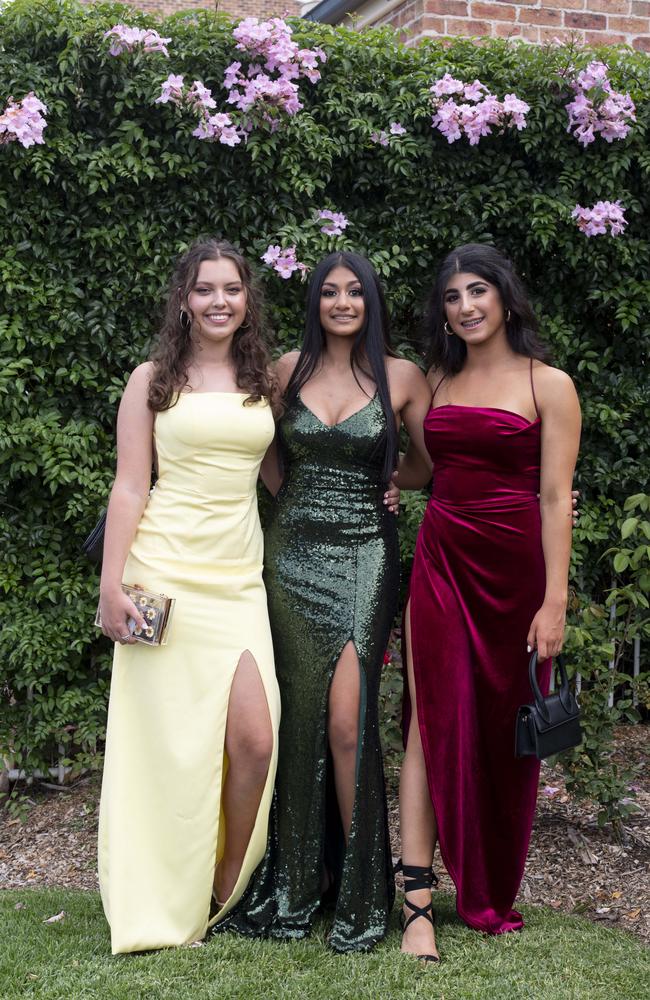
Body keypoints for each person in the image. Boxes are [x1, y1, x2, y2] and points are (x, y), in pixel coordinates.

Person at [218, 251, 430, 952]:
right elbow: (266, 457)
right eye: (329, 292)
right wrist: (300, 508)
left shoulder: (402, 376)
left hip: (369, 551)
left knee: (348, 722)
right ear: (315, 303)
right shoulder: (284, 370)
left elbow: (426, 463)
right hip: (294, 556)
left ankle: (365, 899)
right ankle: (297, 886)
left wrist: (393, 484)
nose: (342, 302)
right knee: (298, 718)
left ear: (372, 301)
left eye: (355, 292)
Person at [394, 244, 581, 961]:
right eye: (452, 297)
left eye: (478, 291)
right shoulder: (436, 379)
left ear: (504, 298)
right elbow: (432, 467)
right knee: (427, 717)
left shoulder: (548, 384)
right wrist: (396, 484)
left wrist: (553, 601)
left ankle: (488, 881)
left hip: (514, 575)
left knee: (502, 732)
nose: (466, 306)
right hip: (441, 561)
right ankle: (416, 903)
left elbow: (556, 496)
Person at [97, 238, 281, 954]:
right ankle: (160, 897)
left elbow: (280, 479)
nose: (218, 301)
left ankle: (222, 883)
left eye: (231, 289)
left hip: (238, 580)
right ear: (183, 299)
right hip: (164, 574)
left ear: (247, 300)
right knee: (168, 747)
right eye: (204, 289)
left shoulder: (263, 379)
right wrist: (112, 586)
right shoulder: (152, 379)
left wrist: (373, 493)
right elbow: (130, 485)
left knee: (253, 739)